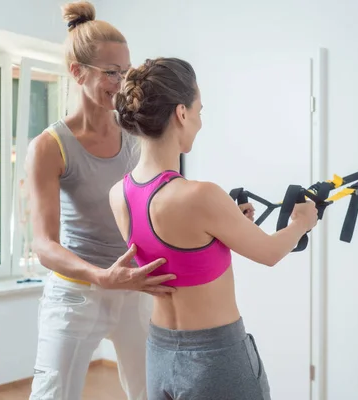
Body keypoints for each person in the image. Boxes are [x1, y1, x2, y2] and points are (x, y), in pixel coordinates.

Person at [25, 2, 257, 399]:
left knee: (150, 391)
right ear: (77, 72)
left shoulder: (141, 133)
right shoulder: (49, 146)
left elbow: (171, 203)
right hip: (77, 291)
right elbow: (43, 244)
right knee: (52, 393)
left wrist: (223, 219)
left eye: (126, 71)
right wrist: (100, 276)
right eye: (111, 72)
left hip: (140, 285)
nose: (121, 81)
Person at [109, 57, 320, 400]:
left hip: (159, 354)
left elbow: (176, 251)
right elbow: (269, 253)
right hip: (214, 359)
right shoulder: (201, 195)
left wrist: (229, 224)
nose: (200, 122)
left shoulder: (118, 194)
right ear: (181, 113)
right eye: (199, 111)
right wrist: (301, 223)